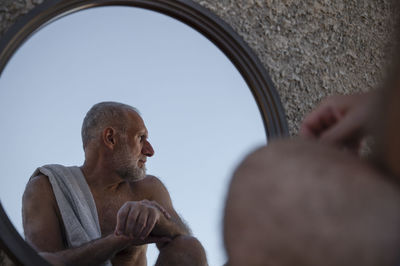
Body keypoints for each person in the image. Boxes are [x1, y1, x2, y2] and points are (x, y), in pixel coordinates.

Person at [22, 102, 207, 266]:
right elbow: (40, 261)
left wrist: (158, 218)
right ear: (110, 138)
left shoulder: (148, 189)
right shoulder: (47, 188)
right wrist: (118, 240)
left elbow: (183, 236)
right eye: (141, 138)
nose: (150, 151)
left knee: (189, 247)